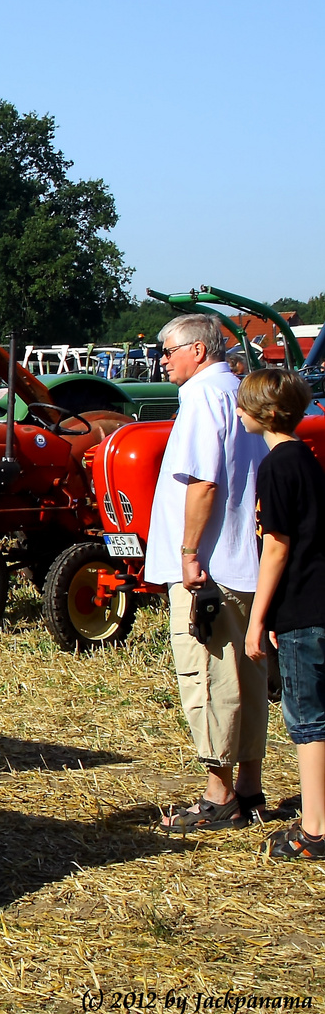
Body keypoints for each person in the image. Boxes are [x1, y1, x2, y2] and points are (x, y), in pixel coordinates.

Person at [147, 314, 274, 832]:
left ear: (198, 351)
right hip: (245, 561)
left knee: (208, 673)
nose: (163, 360)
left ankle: (218, 793)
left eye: (169, 350)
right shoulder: (240, 393)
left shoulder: (200, 396)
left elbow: (203, 483)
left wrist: (189, 551)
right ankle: (249, 784)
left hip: (211, 565)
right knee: (248, 675)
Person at [237, 368, 325, 860]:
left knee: (308, 721)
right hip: (320, 603)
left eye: (244, 405)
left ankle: (314, 830)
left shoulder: (275, 466)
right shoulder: (308, 460)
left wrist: (257, 619)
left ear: (267, 414)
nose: (238, 412)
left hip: (300, 611)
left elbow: (276, 547)